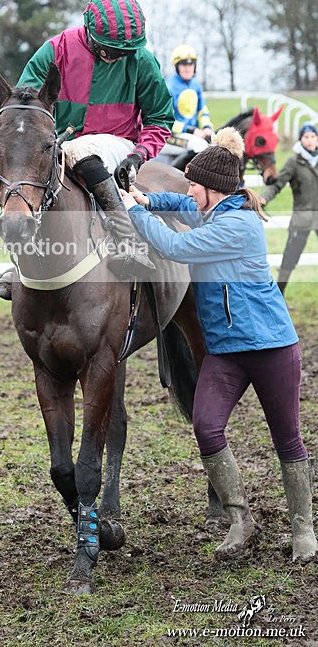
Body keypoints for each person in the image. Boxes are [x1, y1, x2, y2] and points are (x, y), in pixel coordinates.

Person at [119, 127, 316, 564]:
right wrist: (151, 199)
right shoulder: (210, 208)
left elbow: (174, 245)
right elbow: (181, 203)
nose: (189, 189)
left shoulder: (237, 226)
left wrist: (136, 212)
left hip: (271, 348)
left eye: (194, 183)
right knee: (206, 425)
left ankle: (304, 529)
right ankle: (240, 519)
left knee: (287, 439)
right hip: (226, 351)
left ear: (212, 190)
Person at [0, 0, 175, 299]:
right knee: (21, 161)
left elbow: (160, 117)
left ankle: (128, 240)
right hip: (61, 146)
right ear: (90, 33)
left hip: (117, 145)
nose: (116, 57)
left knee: (80, 149)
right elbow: (24, 110)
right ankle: (23, 263)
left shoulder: (142, 61)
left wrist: (139, 155)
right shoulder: (55, 50)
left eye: (123, 52)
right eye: (108, 49)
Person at [259, 122, 318, 295]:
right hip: (302, 219)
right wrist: (263, 199)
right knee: (289, 260)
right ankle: (278, 296)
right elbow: (277, 185)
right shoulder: (294, 162)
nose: (309, 140)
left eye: (313, 136)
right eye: (306, 137)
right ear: (301, 139)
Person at [166, 44, 212, 138]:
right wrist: (190, 130)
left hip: (195, 132)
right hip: (172, 134)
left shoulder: (197, 86)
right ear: (176, 66)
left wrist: (207, 127)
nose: (187, 69)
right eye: (183, 64)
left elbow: (202, 111)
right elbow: (166, 119)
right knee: (197, 145)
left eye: (190, 64)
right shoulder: (168, 86)